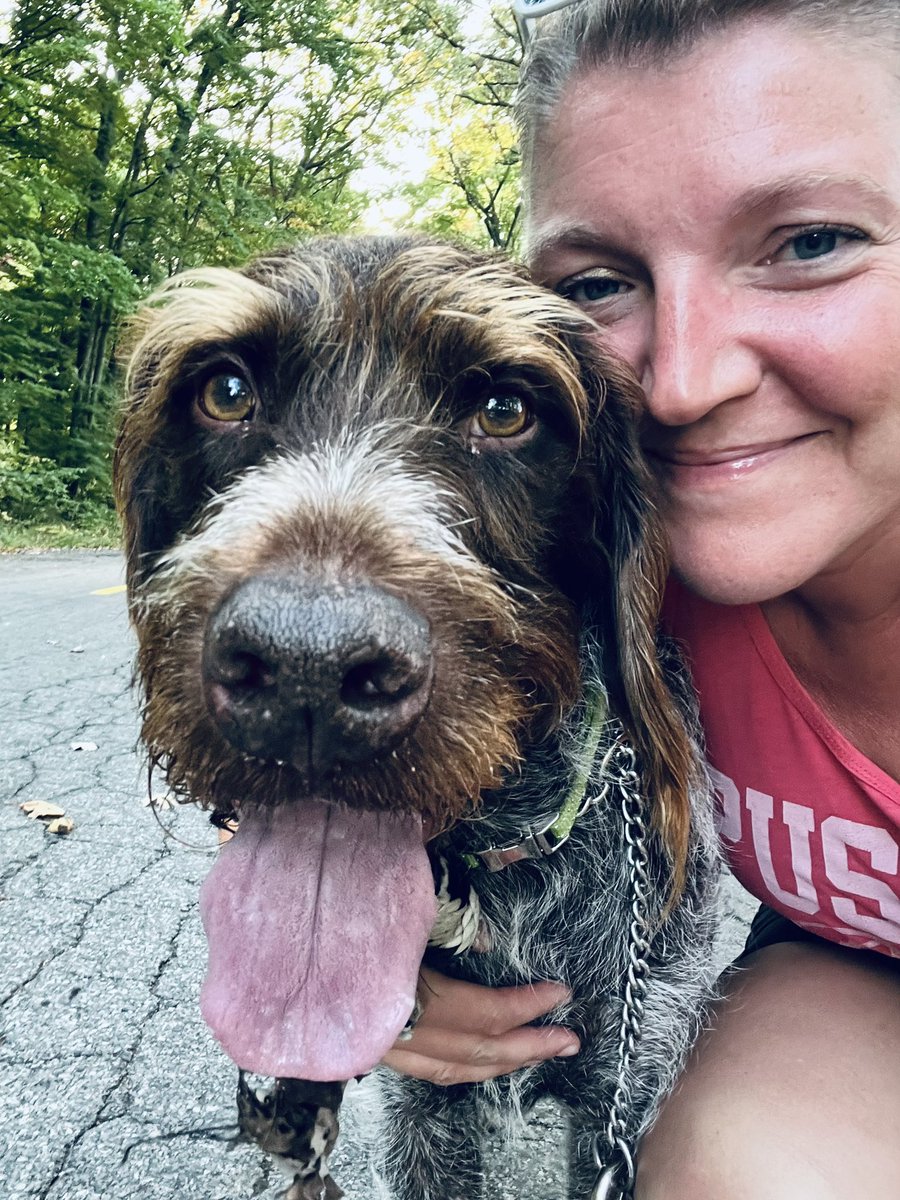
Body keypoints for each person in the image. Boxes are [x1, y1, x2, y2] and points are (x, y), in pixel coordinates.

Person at [383, 1, 900, 1194]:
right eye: (604, 281)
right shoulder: (603, 574)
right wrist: (357, 940)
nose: (680, 381)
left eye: (809, 242)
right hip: (851, 978)